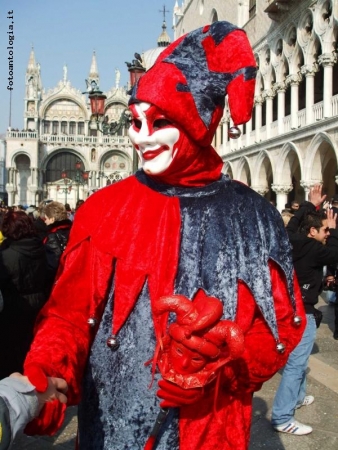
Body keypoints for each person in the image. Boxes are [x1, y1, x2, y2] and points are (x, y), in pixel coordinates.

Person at [5, 22, 305, 450]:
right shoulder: (105, 210)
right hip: (111, 434)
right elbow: (68, 316)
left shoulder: (252, 216)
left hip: (211, 432)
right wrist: (46, 374)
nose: (141, 136)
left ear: (201, 121)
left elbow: (278, 328)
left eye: (159, 120)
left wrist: (221, 367)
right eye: (135, 120)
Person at [271, 184, 338, 435]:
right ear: (313, 231)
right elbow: (335, 253)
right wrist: (335, 230)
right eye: (324, 231)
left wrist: (310, 207)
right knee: (296, 365)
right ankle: (282, 416)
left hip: (292, 309)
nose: (327, 234)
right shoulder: (314, 250)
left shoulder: (295, 242)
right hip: (304, 313)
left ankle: (297, 398)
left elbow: (289, 228)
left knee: (297, 361)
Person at [0, 211, 49, 379]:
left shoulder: (6, 255)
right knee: (31, 347)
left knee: (12, 352)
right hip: (39, 304)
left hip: (13, 308)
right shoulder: (42, 248)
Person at [43, 201, 72, 289]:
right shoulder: (72, 230)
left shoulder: (52, 236)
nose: (45, 222)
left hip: (57, 282)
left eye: (46, 219)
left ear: (52, 219)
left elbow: (53, 264)